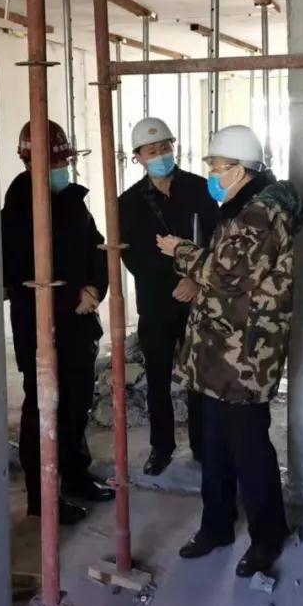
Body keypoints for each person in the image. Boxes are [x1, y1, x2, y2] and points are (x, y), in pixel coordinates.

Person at [158, 125, 303, 578]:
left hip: (245, 355)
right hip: (219, 350)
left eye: (217, 168)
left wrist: (181, 251)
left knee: (249, 449)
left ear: (240, 170)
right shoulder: (241, 207)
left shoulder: (261, 214)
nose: (212, 175)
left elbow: (226, 276)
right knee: (216, 445)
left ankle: (268, 536)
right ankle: (217, 526)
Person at [2, 119, 115, 526]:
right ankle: (43, 496)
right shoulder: (16, 213)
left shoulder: (72, 201)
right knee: (43, 410)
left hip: (80, 326)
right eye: (55, 164)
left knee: (76, 405)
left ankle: (76, 476)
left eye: (64, 162)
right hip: (41, 329)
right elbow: (17, 276)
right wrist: (71, 300)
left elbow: (98, 249)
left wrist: (94, 290)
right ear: (29, 163)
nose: (62, 170)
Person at [119, 117, 219, 476]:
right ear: (138, 157)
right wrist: (171, 282)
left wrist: (194, 279)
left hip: (198, 299)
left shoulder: (200, 189)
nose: (161, 154)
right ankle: (161, 447)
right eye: (152, 150)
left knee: (199, 377)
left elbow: (217, 238)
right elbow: (132, 257)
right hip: (156, 303)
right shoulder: (128, 203)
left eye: (165, 147)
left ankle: (202, 445)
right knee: (158, 379)